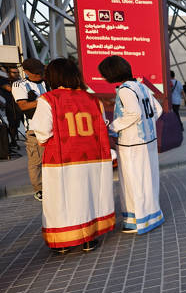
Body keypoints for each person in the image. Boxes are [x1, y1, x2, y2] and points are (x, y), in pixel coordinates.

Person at [28, 58, 114, 253]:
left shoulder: (48, 99)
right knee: (88, 197)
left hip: (62, 159)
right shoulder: (93, 99)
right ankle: (89, 239)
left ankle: (63, 242)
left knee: (62, 201)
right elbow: (101, 126)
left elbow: (42, 131)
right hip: (92, 157)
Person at [98, 55, 165, 234]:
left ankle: (137, 220)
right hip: (147, 141)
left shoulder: (125, 90)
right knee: (148, 179)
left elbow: (133, 113)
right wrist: (146, 125)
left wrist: (112, 128)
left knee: (132, 181)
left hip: (131, 144)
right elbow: (157, 109)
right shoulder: (140, 86)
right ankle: (151, 215)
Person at [12, 58, 49, 201]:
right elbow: (23, 106)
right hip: (34, 130)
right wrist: (45, 101)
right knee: (36, 162)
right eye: (36, 73)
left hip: (52, 127)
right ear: (26, 72)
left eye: (41, 72)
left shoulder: (48, 82)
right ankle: (39, 189)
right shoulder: (20, 85)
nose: (40, 75)